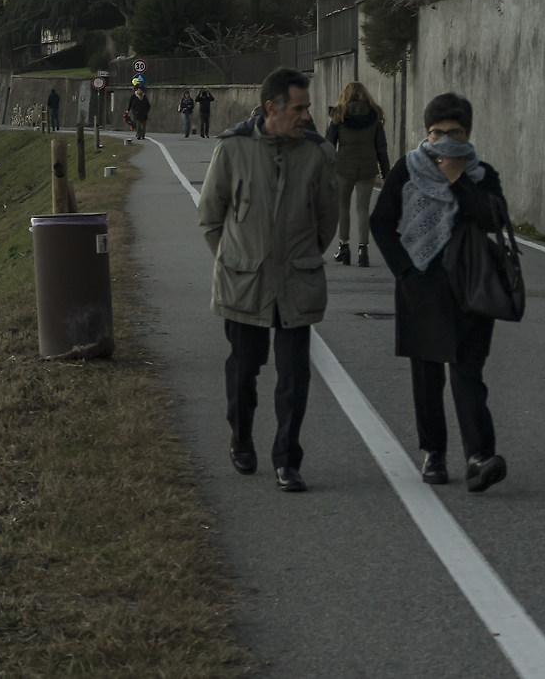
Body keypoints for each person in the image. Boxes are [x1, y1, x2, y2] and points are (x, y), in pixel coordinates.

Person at [197, 67, 335, 493]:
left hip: (296, 282)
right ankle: (240, 437)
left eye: (307, 108)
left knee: (295, 376)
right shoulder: (233, 149)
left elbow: (326, 221)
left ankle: (287, 461)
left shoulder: (317, 154)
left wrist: (302, 257)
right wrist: (237, 260)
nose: (306, 116)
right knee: (244, 370)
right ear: (271, 107)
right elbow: (210, 217)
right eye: (298, 108)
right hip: (244, 283)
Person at [369, 93, 510, 492]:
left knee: (468, 373)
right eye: (437, 132)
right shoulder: (407, 169)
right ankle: (433, 453)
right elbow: (381, 222)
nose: (445, 139)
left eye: (455, 132)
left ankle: (480, 456)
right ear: (426, 132)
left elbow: (492, 217)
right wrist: (405, 272)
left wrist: (457, 179)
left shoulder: (483, 174)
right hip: (422, 285)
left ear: (468, 133)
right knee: (427, 375)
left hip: (471, 286)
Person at [325, 81, 390, 267]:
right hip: (368, 168)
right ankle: (363, 250)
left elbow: (329, 144)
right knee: (363, 208)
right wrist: (386, 174)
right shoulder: (374, 116)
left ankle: (344, 246)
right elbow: (381, 148)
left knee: (343, 207)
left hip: (343, 168)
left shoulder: (338, 114)